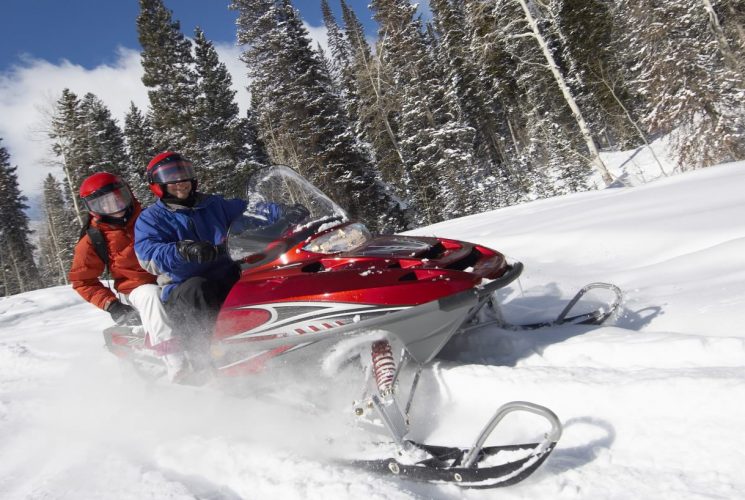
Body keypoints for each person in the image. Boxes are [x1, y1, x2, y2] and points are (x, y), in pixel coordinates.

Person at [134, 152, 309, 376]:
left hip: (228, 271)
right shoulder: (152, 218)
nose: (180, 182)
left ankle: (279, 340)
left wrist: (284, 212)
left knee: (265, 275)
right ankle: (205, 363)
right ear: (158, 184)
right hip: (183, 286)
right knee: (199, 288)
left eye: (184, 174)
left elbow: (252, 212)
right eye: (171, 177)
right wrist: (182, 250)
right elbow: (149, 254)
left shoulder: (215, 205)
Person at [68, 172, 185, 380]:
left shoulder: (149, 217)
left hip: (170, 277)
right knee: (151, 295)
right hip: (135, 289)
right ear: (92, 208)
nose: (114, 206)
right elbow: (82, 280)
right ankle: (175, 361)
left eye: (118, 197)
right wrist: (111, 305)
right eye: (103, 203)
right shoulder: (93, 238)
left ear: (128, 193)